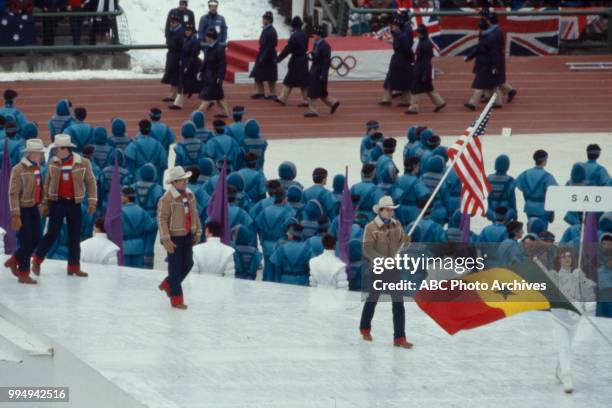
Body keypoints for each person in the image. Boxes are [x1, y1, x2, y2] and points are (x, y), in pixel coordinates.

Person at [31, 134, 97, 277]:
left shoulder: (83, 162)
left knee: (75, 234)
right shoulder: (53, 163)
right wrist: (45, 203)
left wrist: (92, 200)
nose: (54, 152)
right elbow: (47, 183)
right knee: (52, 232)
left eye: (56, 149)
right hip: (57, 202)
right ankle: (37, 259)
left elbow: (91, 182)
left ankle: (74, 266)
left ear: (64, 149)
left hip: (74, 202)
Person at [359, 196, 413, 348]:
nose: (391, 213)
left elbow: (402, 244)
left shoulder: (397, 225)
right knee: (373, 299)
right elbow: (367, 249)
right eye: (388, 210)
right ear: (381, 210)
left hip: (394, 269)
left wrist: (407, 241)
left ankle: (400, 338)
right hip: (378, 269)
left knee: (398, 303)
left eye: (392, 210)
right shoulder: (370, 228)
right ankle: (365, 328)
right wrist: (382, 260)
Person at [550, 247, 596, 394]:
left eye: (569, 256)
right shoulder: (553, 275)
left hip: (573, 318)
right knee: (563, 346)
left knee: (567, 347)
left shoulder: (578, 274)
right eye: (564, 256)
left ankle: (559, 369)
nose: (567, 259)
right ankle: (567, 376)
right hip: (559, 317)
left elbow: (586, 294)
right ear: (559, 259)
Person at [157, 166, 202, 310]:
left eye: (185, 179)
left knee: (188, 264)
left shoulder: (190, 195)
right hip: (174, 238)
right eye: (181, 180)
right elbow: (162, 219)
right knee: (175, 270)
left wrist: (197, 231)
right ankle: (176, 300)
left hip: (188, 235)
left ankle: (168, 284)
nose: (185, 182)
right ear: (173, 183)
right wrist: (166, 239)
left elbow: (195, 214)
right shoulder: (166, 199)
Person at [5, 139, 46, 284]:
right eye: (38, 153)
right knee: (26, 241)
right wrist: (16, 214)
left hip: (34, 207)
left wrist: (42, 203)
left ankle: (14, 259)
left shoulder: (38, 167)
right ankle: (23, 273)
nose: (41, 155)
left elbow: (40, 188)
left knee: (37, 240)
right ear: (30, 153)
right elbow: (13, 193)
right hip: (23, 209)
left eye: (41, 153)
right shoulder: (18, 169)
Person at [255, 187, 295, 281]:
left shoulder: (265, 211)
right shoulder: (287, 213)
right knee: (278, 273)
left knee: (267, 271)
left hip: (266, 244)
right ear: (284, 198)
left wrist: (262, 240)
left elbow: (259, 226)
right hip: (280, 245)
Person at [406, 24, 446, 114]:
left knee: (415, 88)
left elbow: (426, 60)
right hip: (423, 68)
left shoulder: (425, 44)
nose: (418, 34)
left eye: (419, 33)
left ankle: (414, 108)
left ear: (422, 33)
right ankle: (440, 102)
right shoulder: (425, 42)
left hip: (421, 69)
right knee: (428, 88)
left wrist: (424, 73)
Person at [515, 149, 558, 230]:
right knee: (542, 234)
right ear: (544, 161)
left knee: (531, 231)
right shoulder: (547, 176)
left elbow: (519, 186)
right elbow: (554, 192)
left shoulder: (525, 174)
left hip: (529, 208)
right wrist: (552, 211)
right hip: (543, 209)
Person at [481, 11, 517, 106]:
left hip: (495, 58)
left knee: (495, 79)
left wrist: (494, 64)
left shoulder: (494, 33)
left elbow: (495, 49)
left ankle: (498, 100)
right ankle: (509, 91)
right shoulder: (495, 30)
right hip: (496, 58)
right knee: (497, 78)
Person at [304, 25, 340, 118]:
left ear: (319, 35)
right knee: (321, 92)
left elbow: (326, 62)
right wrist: (311, 55)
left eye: (315, 34)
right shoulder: (317, 44)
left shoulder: (325, 46)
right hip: (315, 69)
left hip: (319, 72)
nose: (313, 36)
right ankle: (333, 103)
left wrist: (323, 74)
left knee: (313, 91)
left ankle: (313, 110)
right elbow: (316, 56)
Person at [464, 18, 498, 111]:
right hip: (484, 63)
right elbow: (478, 49)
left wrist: (495, 66)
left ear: (481, 28)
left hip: (486, 65)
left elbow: (493, 53)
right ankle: (498, 102)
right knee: (491, 85)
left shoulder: (488, 38)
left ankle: (472, 103)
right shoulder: (485, 36)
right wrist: (469, 57)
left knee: (479, 84)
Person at [134, 163, 164, 269]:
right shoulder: (158, 188)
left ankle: (137, 263)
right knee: (149, 243)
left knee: (138, 240)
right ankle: (148, 267)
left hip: (137, 218)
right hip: (152, 219)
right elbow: (160, 206)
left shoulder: (134, 186)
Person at [274, 16, 309, 107]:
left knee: (289, 79)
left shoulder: (294, 36)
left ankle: (283, 98)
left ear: (293, 26)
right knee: (303, 82)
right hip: (304, 59)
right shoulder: (305, 35)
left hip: (296, 60)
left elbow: (287, 49)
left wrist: (279, 59)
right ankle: (307, 99)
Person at [380, 16, 413, 107]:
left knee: (403, 81)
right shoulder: (399, 35)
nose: (391, 26)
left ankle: (405, 100)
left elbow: (408, 50)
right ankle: (387, 99)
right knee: (391, 79)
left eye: (393, 25)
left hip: (401, 61)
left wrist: (410, 60)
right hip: (398, 60)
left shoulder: (402, 37)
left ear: (398, 26)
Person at [169, 22, 202, 111]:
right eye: (186, 30)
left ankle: (209, 100)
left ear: (192, 31)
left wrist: (188, 66)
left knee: (197, 85)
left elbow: (194, 55)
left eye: (189, 30)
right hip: (184, 63)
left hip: (192, 65)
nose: (187, 32)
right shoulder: (186, 39)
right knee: (182, 83)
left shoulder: (194, 41)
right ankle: (178, 104)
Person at [198, 28, 230, 118]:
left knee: (207, 96)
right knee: (219, 95)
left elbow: (222, 64)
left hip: (215, 76)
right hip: (208, 75)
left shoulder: (219, 49)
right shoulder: (209, 47)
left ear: (211, 38)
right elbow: (205, 61)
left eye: (207, 36)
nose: (206, 38)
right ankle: (225, 112)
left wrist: (220, 77)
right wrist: (201, 71)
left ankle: (198, 113)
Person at [125, 120, 168, 185]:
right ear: (150, 129)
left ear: (139, 129)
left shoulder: (133, 145)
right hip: (154, 180)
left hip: (138, 181)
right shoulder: (158, 145)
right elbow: (163, 164)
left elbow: (130, 167)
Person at [121, 187, 154, 268]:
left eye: (122, 195)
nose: (120, 197)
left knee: (125, 274)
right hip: (139, 247)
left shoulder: (120, 212)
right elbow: (150, 226)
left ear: (126, 197)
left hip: (124, 247)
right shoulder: (142, 211)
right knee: (138, 275)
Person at [392, 157, 429, 226]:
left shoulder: (398, 180)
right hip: (413, 212)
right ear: (414, 167)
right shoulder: (417, 182)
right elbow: (424, 197)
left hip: (399, 210)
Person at [250, 11, 278, 100]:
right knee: (258, 74)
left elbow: (269, 46)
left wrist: (263, 57)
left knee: (270, 76)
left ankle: (273, 93)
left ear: (269, 20)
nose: (263, 20)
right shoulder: (266, 29)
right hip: (263, 54)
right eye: (264, 18)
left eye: (265, 19)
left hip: (268, 56)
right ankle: (260, 91)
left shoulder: (271, 31)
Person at [486, 154, 517, 223]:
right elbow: (513, 201)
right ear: (507, 166)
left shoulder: (488, 179)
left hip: (492, 213)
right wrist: (515, 217)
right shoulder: (510, 180)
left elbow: (487, 199)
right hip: (506, 214)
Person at [162, 13, 185, 104]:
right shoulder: (171, 30)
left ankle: (174, 94)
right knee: (171, 73)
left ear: (178, 22)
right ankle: (172, 92)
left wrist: (181, 58)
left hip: (177, 55)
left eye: (174, 22)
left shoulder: (180, 32)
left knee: (175, 75)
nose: (172, 23)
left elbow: (182, 46)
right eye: (171, 22)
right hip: (171, 54)